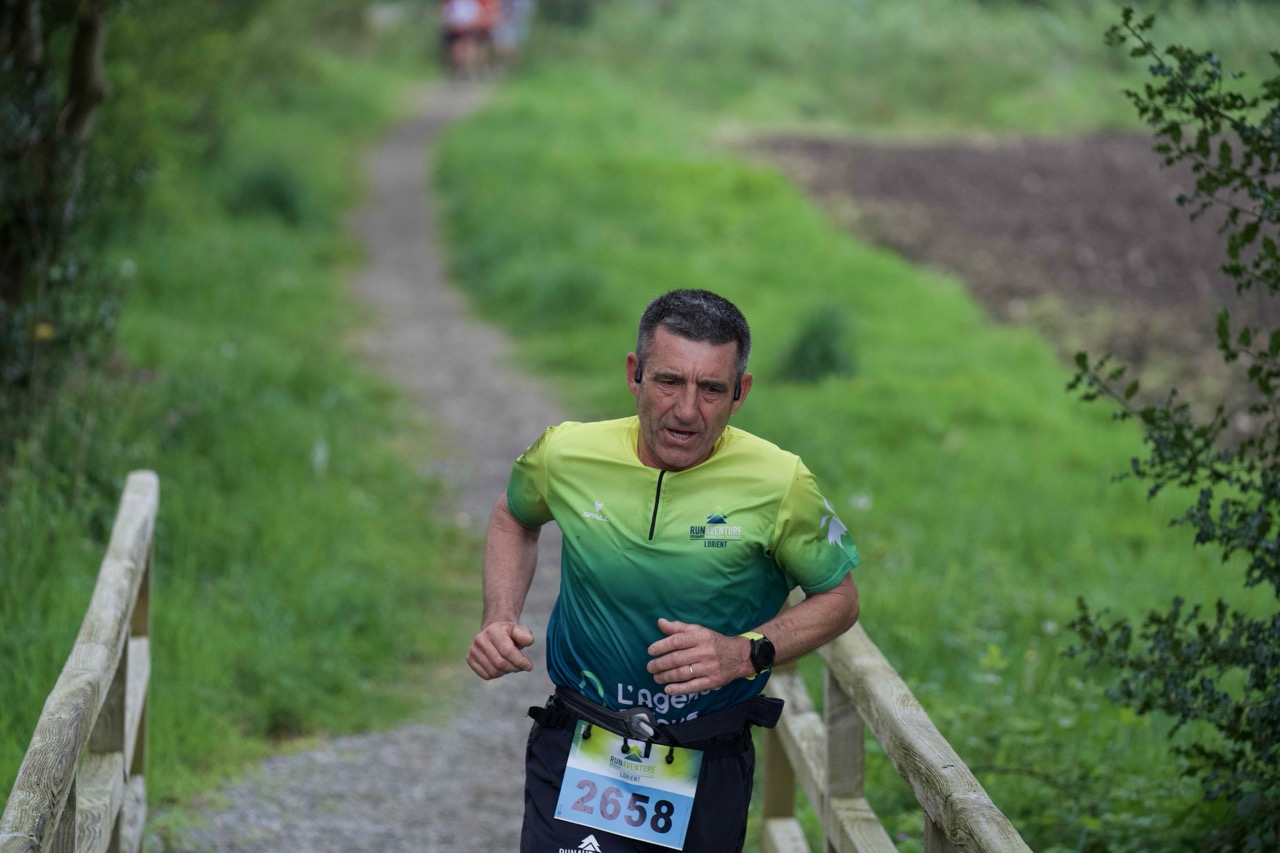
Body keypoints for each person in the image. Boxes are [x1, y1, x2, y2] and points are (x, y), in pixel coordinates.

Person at [467, 289, 862, 853]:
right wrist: (499, 616)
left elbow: (840, 599)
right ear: (635, 374)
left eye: (711, 389)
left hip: (707, 755)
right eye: (669, 381)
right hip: (583, 740)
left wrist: (744, 652)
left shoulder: (781, 483)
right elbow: (513, 516)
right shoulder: (566, 454)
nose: (686, 411)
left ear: (741, 393)